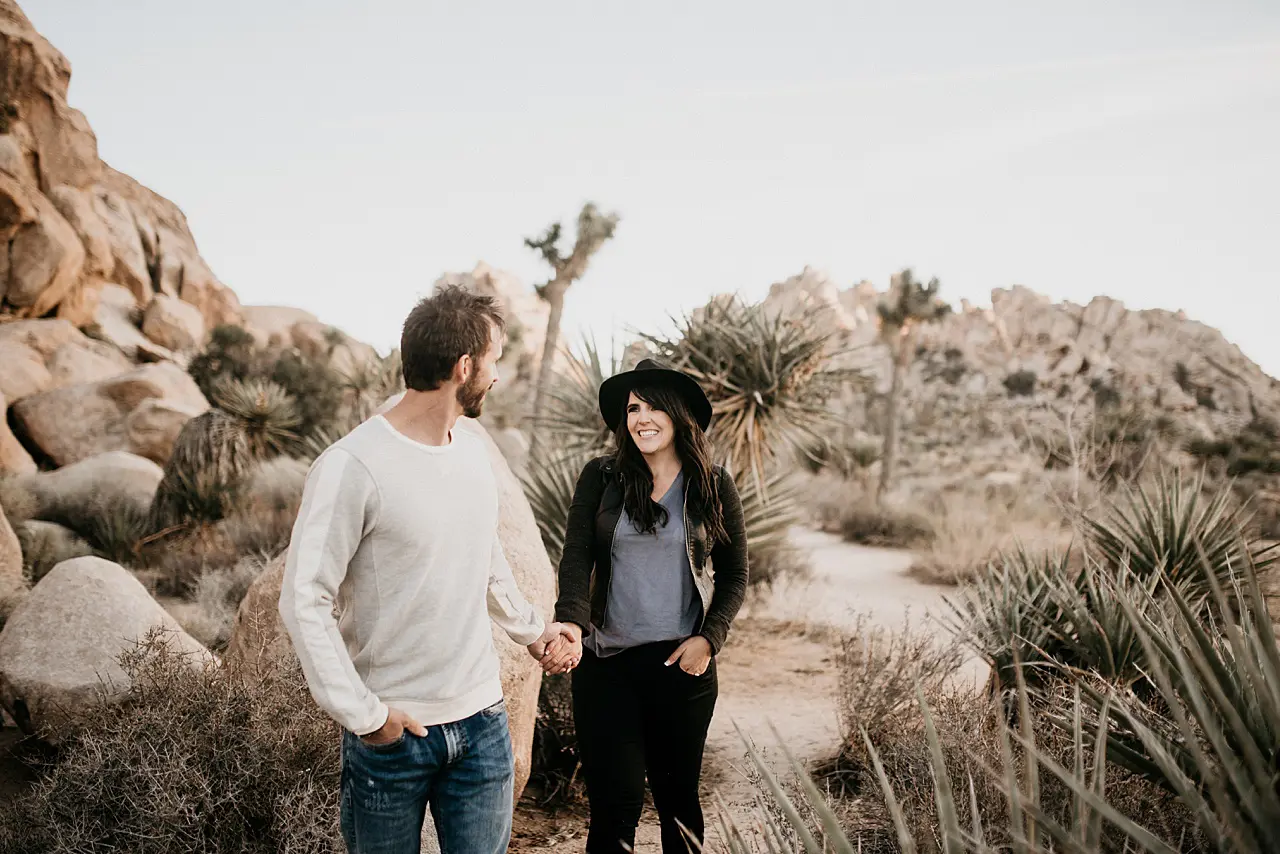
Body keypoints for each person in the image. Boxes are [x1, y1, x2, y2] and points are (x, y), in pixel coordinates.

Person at [279, 285, 571, 854]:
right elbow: (303, 599)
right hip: (393, 739)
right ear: (464, 367)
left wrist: (534, 633)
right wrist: (364, 715)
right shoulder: (350, 466)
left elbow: (485, 558)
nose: (497, 375)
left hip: (482, 724)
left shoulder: (470, 453)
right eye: (495, 361)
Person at [540, 358, 750, 853]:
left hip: (682, 669)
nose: (642, 418)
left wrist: (708, 639)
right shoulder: (602, 477)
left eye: (655, 406)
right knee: (615, 805)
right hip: (606, 668)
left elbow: (736, 574)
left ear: (679, 416)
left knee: (678, 803)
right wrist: (570, 622)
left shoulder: (712, 486)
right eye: (634, 408)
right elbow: (576, 556)